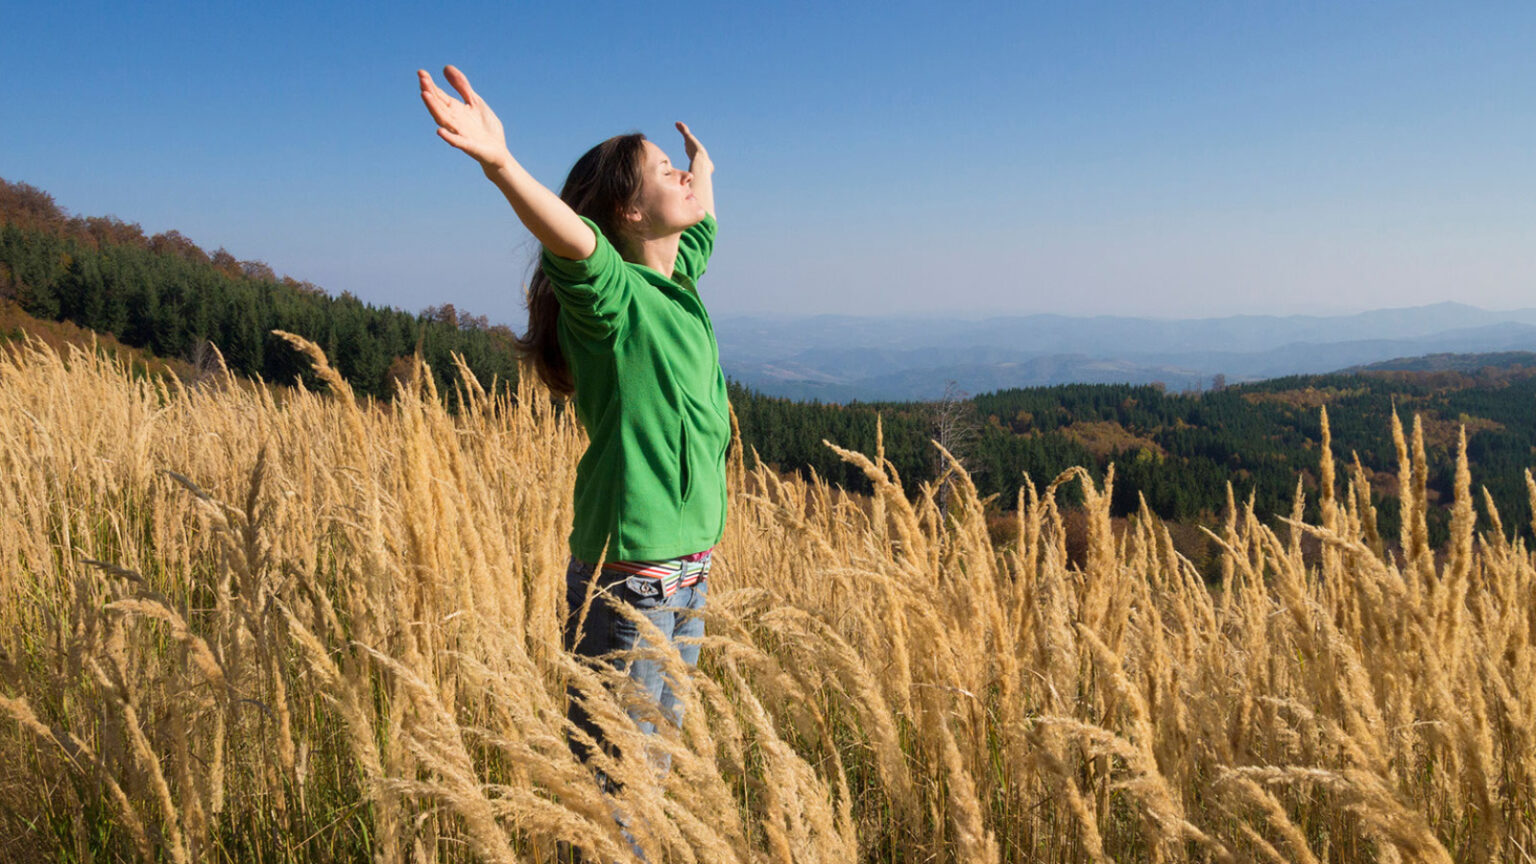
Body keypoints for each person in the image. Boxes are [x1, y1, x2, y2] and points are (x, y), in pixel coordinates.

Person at [417, 63, 729, 814]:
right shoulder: (611, 299)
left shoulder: (678, 277)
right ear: (627, 211)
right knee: (612, 800)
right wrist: (501, 165)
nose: (682, 177)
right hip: (629, 587)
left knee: (649, 786)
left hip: (688, 576)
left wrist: (703, 172)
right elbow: (575, 242)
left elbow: (702, 227)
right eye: (665, 171)